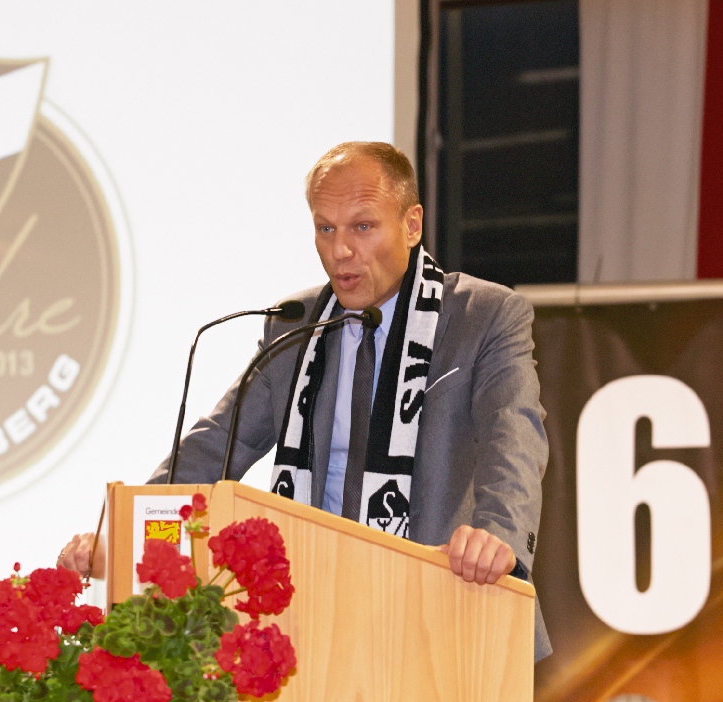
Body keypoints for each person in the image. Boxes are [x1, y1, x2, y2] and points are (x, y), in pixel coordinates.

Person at [59, 142, 550, 660]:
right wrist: (123, 534)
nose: (341, 250)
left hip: (445, 614)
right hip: (312, 621)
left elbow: (514, 438)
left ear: (411, 225)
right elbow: (216, 444)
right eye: (326, 228)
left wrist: (498, 536)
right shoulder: (295, 324)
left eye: (363, 226)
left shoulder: (483, 317)